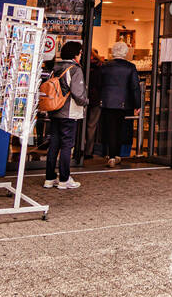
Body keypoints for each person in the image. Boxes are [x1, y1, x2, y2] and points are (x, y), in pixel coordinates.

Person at [43, 41, 88, 190]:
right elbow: (77, 93)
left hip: (54, 110)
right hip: (69, 112)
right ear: (75, 54)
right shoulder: (75, 69)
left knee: (54, 144)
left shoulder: (55, 67)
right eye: (80, 53)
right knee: (67, 145)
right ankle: (64, 178)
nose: (81, 56)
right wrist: (86, 101)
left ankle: (49, 178)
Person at [96, 42, 140, 168]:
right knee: (122, 128)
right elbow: (135, 87)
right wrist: (137, 104)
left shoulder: (105, 66)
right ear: (125, 53)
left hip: (107, 101)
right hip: (124, 103)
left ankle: (110, 155)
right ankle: (117, 155)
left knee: (110, 128)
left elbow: (100, 83)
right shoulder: (130, 67)